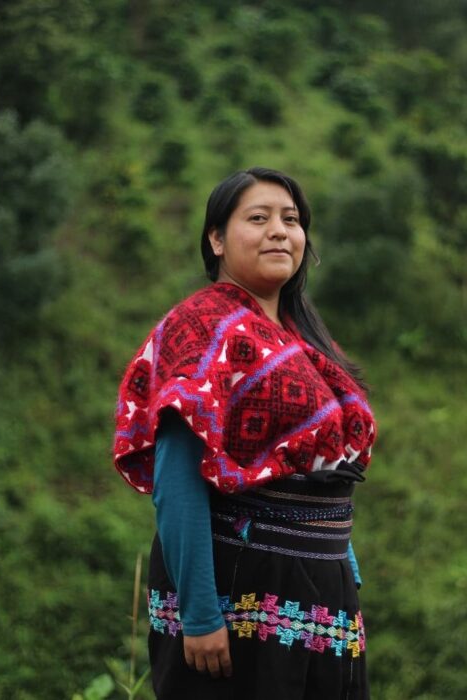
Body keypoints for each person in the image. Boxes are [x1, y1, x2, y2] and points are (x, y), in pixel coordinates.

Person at [113, 167, 377, 699]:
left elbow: (315, 471)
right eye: (258, 218)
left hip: (319, 591)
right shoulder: (201, 328)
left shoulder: (303, 341)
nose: (280, 231)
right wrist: (201, 614)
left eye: (292, 219)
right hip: (239, 590)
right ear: (216, 238)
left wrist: (342, 564)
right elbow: (177, 477)